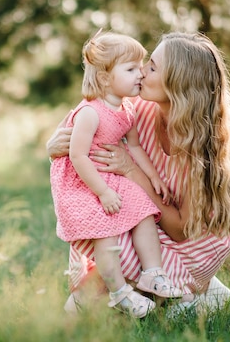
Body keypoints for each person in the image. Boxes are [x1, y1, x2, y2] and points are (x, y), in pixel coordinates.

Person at [47, 31, 230, 315]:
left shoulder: (204, 149)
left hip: (192, 244)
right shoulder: (137, 109)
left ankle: (194, 292)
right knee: (102, 227)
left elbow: (181, 230)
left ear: (179, 84)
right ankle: (128, 294)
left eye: (153, 67)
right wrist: (55, 144)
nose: (142, 72)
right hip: (148, 221)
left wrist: (133, 172)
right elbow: (83, 123)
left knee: (114, 244)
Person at [50, 30, 182, 319]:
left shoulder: (127, 108)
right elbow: (77, 156)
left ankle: (153, 273)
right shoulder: (91, 113)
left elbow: (133, 147)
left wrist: (154, 177)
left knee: (145, 211)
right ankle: (119, 292)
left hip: (110, 177)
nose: (141, 74)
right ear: (105, 77)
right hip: (84, 184)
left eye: (142, 66)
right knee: (105, 235)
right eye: (132, 69)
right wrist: (103, 192)